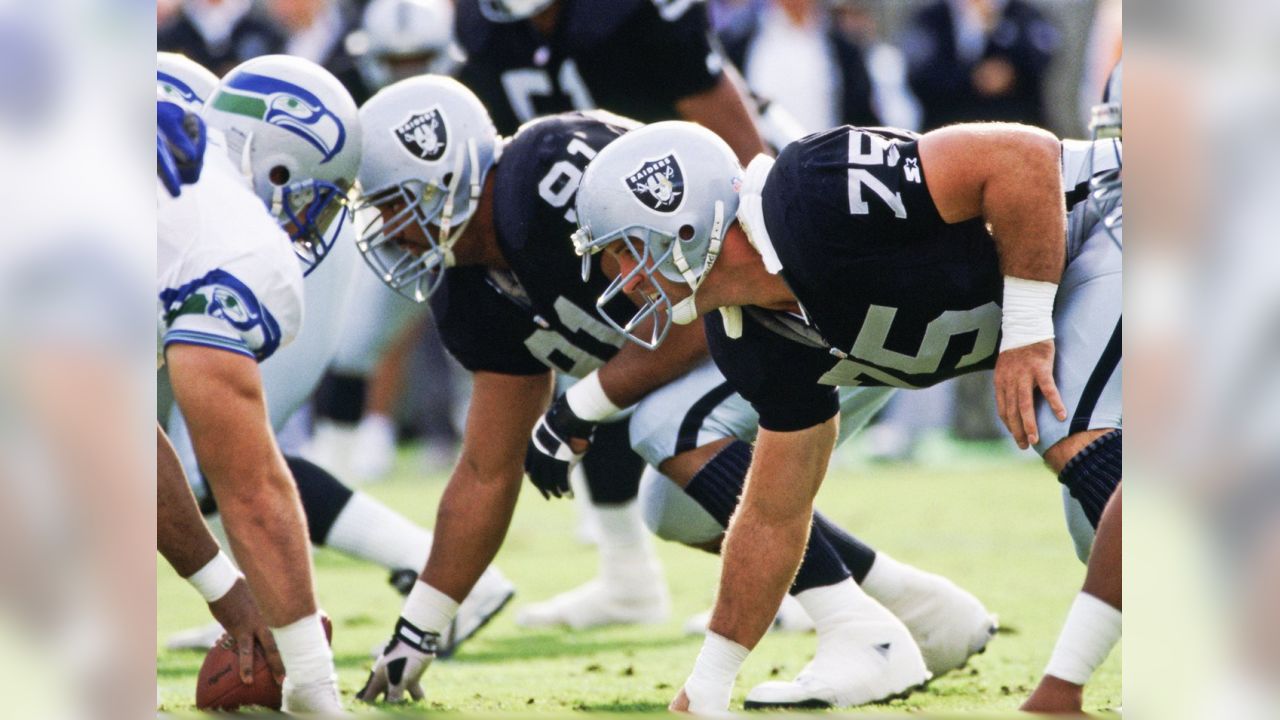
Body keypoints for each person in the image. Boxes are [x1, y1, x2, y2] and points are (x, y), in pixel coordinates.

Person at [350, 76, 994, 705]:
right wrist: (420, 629)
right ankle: (919, 608)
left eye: (389, 201)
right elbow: (486, 470)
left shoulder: (550, 177)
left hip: (796, 313)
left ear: (444, 174)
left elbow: (700, 292)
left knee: (666, 427)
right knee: (674, 507)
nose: (384, 226)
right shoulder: (468, 289)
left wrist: (587, 401)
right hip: (740, 350)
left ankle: (860, 633)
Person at [572, 115, 1122, 710]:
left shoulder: (815, 191)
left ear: (681, 218)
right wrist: (709, 682)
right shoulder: (750, 334)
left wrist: (1025, 331)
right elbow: (774, 516)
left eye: (628, 252)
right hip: (1074, 278)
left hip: (1113, 214)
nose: (626, 282)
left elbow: (1021, 157)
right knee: (1100, 530)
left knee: (1072, 434)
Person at [156, 53, 515, 659]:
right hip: (225, 245)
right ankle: (251, 603)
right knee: (192, 456)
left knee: (220, 455)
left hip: (269, 247)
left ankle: (433, 573)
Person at [439, 0, 771, 631]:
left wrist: (750, 236)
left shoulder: (639, 15)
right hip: (581, 219)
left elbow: (733, 141)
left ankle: (802, 575)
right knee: (591, 358)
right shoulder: (485, 33)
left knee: (651, 393)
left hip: (688, 213)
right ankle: (627, 576)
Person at [157, 53, 362, 712]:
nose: (309, 222)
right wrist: (311, 679)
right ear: (280, 162)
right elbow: (246, 481)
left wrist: (226, 591)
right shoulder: (245, 245)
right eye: (315, 195)